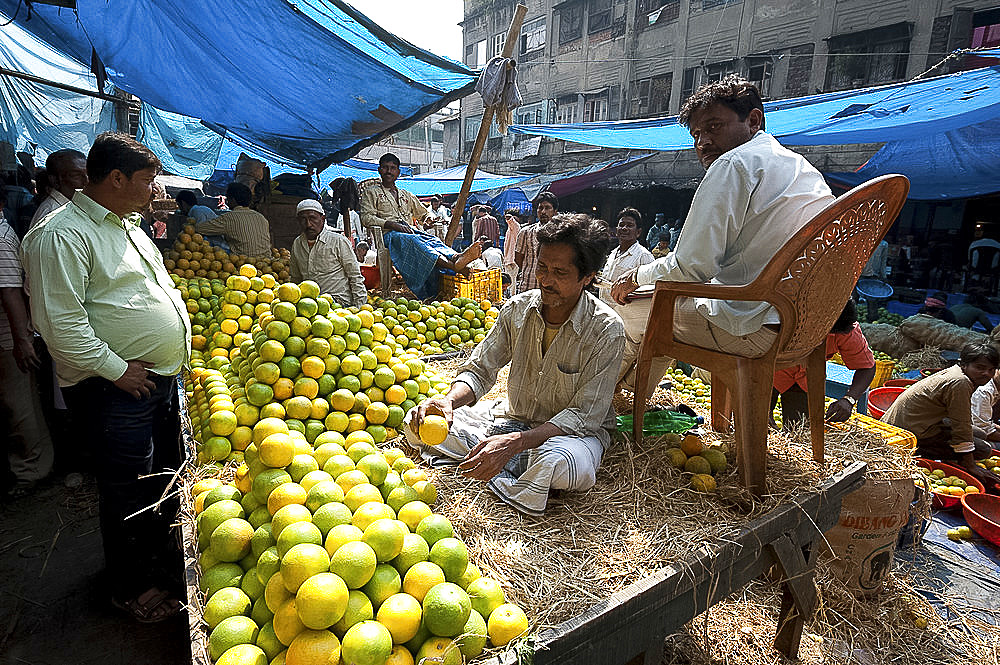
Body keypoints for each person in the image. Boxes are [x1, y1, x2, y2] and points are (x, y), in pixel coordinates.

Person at [19, 132, 190, 621]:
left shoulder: (130, 226)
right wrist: (118, 371)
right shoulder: (59, 234)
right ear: (116, 178)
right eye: (148, 179)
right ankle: (130, 589)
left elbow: (156, 288)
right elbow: (59, 324)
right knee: (127, 490)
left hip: (154, 380)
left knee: (158, 483)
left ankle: (157, 567)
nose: (155, 188)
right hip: (113, 389)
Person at [611, 76, 835, 401]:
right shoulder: (801, 167)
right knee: (657, 312)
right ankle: (629, 399)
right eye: (696, 134)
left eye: (713, 126)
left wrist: (636, 277)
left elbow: (692, 267)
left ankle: (603, 405)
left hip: (751, 326)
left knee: (625, 313)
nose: (702, 141)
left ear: (753, 120)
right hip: (806, 330)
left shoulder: (734, 163)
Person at [406, 214, 624, 515]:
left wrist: (513, 444)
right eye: (543, 267)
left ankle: (500, 462)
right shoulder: (518, 309)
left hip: (567, 437)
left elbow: (584, 415)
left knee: (560, 465)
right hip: (514, 421)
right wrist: (448, 402)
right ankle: (510, 469)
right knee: (415, 423)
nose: (545, 280)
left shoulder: (606, 329)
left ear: (588, 277)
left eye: (560, 272)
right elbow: (481, 368)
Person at [360, 153, 481, 299]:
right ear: (379, 170)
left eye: (393, 168)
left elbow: (423, 213)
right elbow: (366, 218)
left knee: (432, 240)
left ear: (398, 172)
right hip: (389, 236)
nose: (389, 171)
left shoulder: (406, 195)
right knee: (415, 241)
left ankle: (456, 258)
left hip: (410, 233)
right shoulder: (371, 192)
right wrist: (391, 224)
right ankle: (454, 266)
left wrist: (429, 219)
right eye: (385, 168)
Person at [882, 343, 1000, 488]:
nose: (987, 374)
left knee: (979, 433)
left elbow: (961, 422)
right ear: (964, 364)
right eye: (980, 368)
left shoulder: (958, 373)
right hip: (907, 432)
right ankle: (923, 454)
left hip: (913, 422)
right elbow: (960, 426)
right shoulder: (960, 383)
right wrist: (970, 465)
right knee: (983, 449)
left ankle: (956, 455)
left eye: (991, 370)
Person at [1, 185, 54, 497]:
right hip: (13, 336)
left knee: (18, 405)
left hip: (9, 338)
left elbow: (10, 291)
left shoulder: (1, 238)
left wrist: (22, 339)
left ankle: (31, 470)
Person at [771, 300, 875, 427]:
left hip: (804, 377)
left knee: (798, 429)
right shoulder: (778, 317)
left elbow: (867, 367)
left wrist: (849, 399)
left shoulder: (846, 330)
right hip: (767, 367)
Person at [289, 199, 367, 308]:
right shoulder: (297, 244)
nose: (308, 224)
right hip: (309, 305)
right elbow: (295, 278)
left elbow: (355, 276)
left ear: (322, 219)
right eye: (303, 219)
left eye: (312, 218)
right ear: (298, 221)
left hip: (339, 303)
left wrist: (360, 307)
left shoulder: (338, 241)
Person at [195, 182, 272, 256]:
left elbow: (200, 228)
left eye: (228, 199)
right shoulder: (261, 217)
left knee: (208, 237)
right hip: (266, 261)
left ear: (233, 200)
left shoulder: (229, 217)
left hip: (243, 261)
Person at [598, 207, 653, 304]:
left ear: (638, 232)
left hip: (628, 313)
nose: (624, 228)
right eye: (621, 225)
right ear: (616, 230)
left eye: (630, 225)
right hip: (606, 310)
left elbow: (650, 288)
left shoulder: (644, 255)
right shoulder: (613, 254)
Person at [30, 149, 88, 229]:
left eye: (88, 174)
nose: (86, 181)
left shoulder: (69, 207)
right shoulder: (52, 216)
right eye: (76, 175)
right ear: (55, 181)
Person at [515, 192, 557, 293]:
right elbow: (518, 258)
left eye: (547, 208)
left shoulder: (560, 235)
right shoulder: (525, 232)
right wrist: (532, 270)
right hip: (528, 286)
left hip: (551, 288)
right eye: (540, 208)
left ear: (555, 211)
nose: (543, 211)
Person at [971, 367, 1000, 451]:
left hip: (980, 426)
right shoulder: (984, 391)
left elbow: (986, 423)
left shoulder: (996, 388)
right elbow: (984, 429)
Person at [502, 208, 522, 282]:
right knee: (511, 280)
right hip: (510, 258)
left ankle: (511, 294)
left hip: (511, 259)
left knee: (511, 281)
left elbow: (510, 219)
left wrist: (508, 215)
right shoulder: (511, 228)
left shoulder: (515, 226)